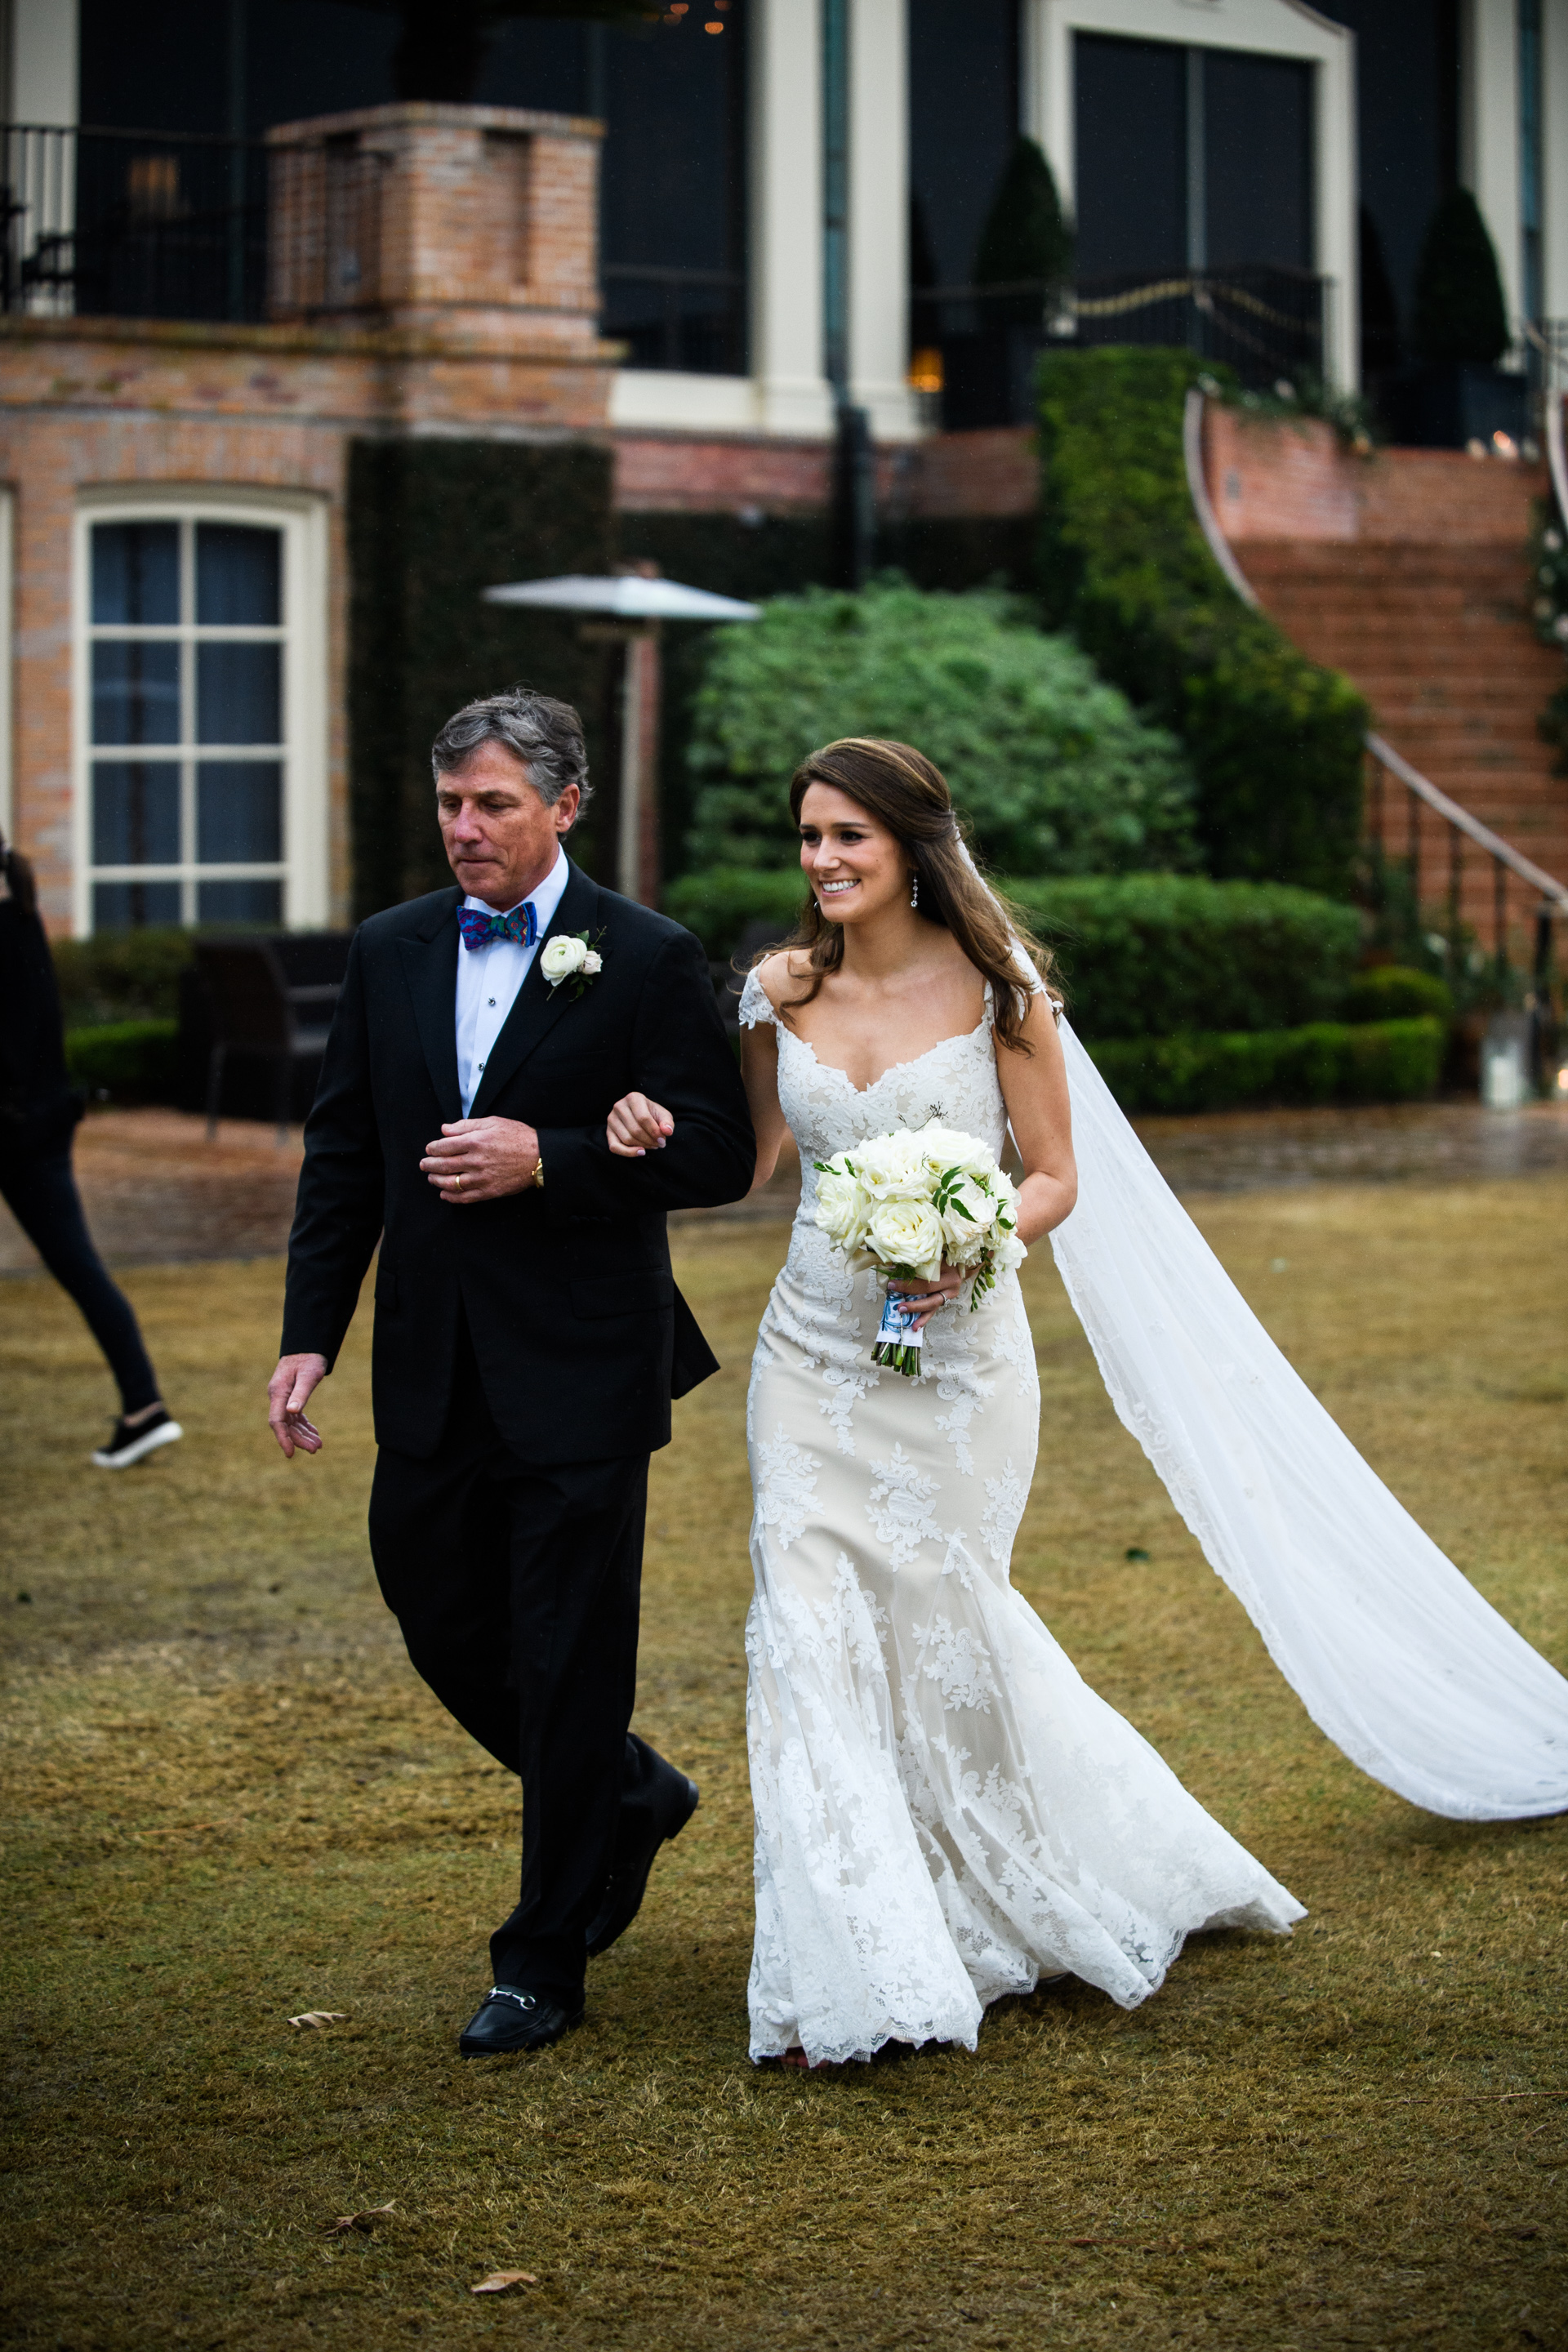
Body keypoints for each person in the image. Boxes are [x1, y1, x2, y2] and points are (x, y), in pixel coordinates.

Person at [607, 737, 1567, 2070]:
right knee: (805, 1618)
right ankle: (865, 1953)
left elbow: (1054, 1175)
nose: (821, 861)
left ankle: (1034, 1878)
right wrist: (653, 1132)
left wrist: (968, 1234)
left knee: (948, 1615)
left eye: (848, 839)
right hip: (813, 1357)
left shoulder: (1001, 992)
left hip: (959, 1363)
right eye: (809, 837)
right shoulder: (777, 990)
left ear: (912, 851)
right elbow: (760, 1160)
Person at [268, 688, 755, 2058]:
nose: (464, 830)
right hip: (430, 1362)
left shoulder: (646, 954)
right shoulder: (391, 948)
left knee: (567, 1648)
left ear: (566, 807)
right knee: (437, 1611)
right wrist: (314, 1332)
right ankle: (630, 1794)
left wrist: (556, 1158)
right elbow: (346, 1151)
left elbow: (718, 1151)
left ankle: (541, 1959)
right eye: (448, 804)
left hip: (585, 1365)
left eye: (492, 805)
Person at [0, 830, 182, 1469]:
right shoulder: (21, 920)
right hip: (41, 1123)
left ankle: (145, 1408)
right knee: (80, 1268)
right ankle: (145, 1406)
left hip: (20, 1126)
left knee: (79, 1267)